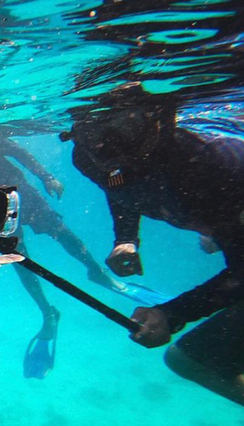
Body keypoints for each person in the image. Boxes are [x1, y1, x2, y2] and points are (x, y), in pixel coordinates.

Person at [64, 83, 244, 405]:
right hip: (224, 214)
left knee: (188, 359)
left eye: (123, 126)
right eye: (92, 130)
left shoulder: (207, 165)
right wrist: (126, 239)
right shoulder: (89, 157)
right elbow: (118, 182)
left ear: (160, 117)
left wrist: (172, 314)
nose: (106, 145)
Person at [0, 129, 125, 379]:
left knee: (59, 231)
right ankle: (47, 312)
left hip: (20, 192)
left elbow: (20, 152)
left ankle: (96, 272)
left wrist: (47, 177)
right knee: (19, 259)